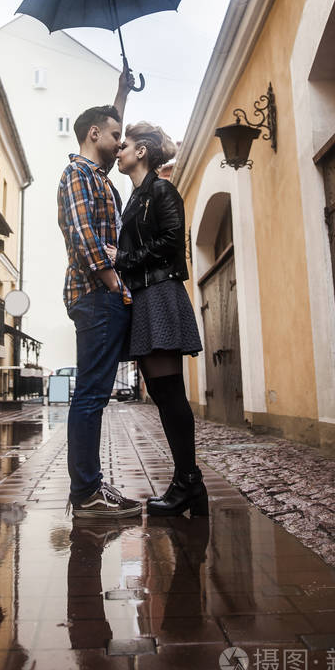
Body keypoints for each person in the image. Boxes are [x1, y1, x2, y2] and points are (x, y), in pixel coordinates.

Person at [106, 122, 208, 517]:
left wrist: (123, 259)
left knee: (170, 396)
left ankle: (188, 483)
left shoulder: (160, 190)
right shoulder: (136, 197)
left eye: (125, 145)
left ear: (143, 151)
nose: (119, 151)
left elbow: (170, 240)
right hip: (147, 298)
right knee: (165, 397)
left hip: (161, 294)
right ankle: (189, 483)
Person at [57, 67, 142, 520]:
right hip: (96, 294)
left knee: (95, 393)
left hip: (101, 294)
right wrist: (115, 285)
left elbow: (109, 125)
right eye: (115, 135)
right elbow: (83, 235)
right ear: (94, 135)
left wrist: (121, 93)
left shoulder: (99, 174)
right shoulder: (77, 175)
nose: (121, 140)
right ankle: (86, 494)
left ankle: (89, 487)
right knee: (90, 394)